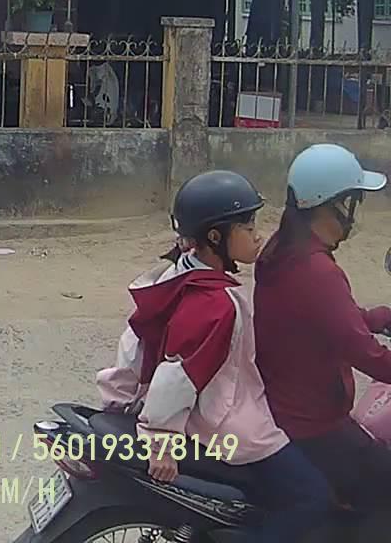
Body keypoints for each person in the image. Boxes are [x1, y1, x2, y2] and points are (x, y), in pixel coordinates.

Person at [97, 170, 331, 543]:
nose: (258, 234)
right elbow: (178, 375)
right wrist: (160, 441)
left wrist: (119, 400)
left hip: (203, 414)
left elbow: (135, 343)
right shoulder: (215, 304)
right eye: (247, 226)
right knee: (313, 497)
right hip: (223, 425)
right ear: (215, 237)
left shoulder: (176, 274)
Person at [254, 143, 391, 510]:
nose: (353, 215)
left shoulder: (283, 250)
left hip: (287, 405)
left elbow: (324, 319)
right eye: (351, 203)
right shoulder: (316, 270)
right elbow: (363, 352)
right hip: (313, 424)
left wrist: (379, 317)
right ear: (330, 205)